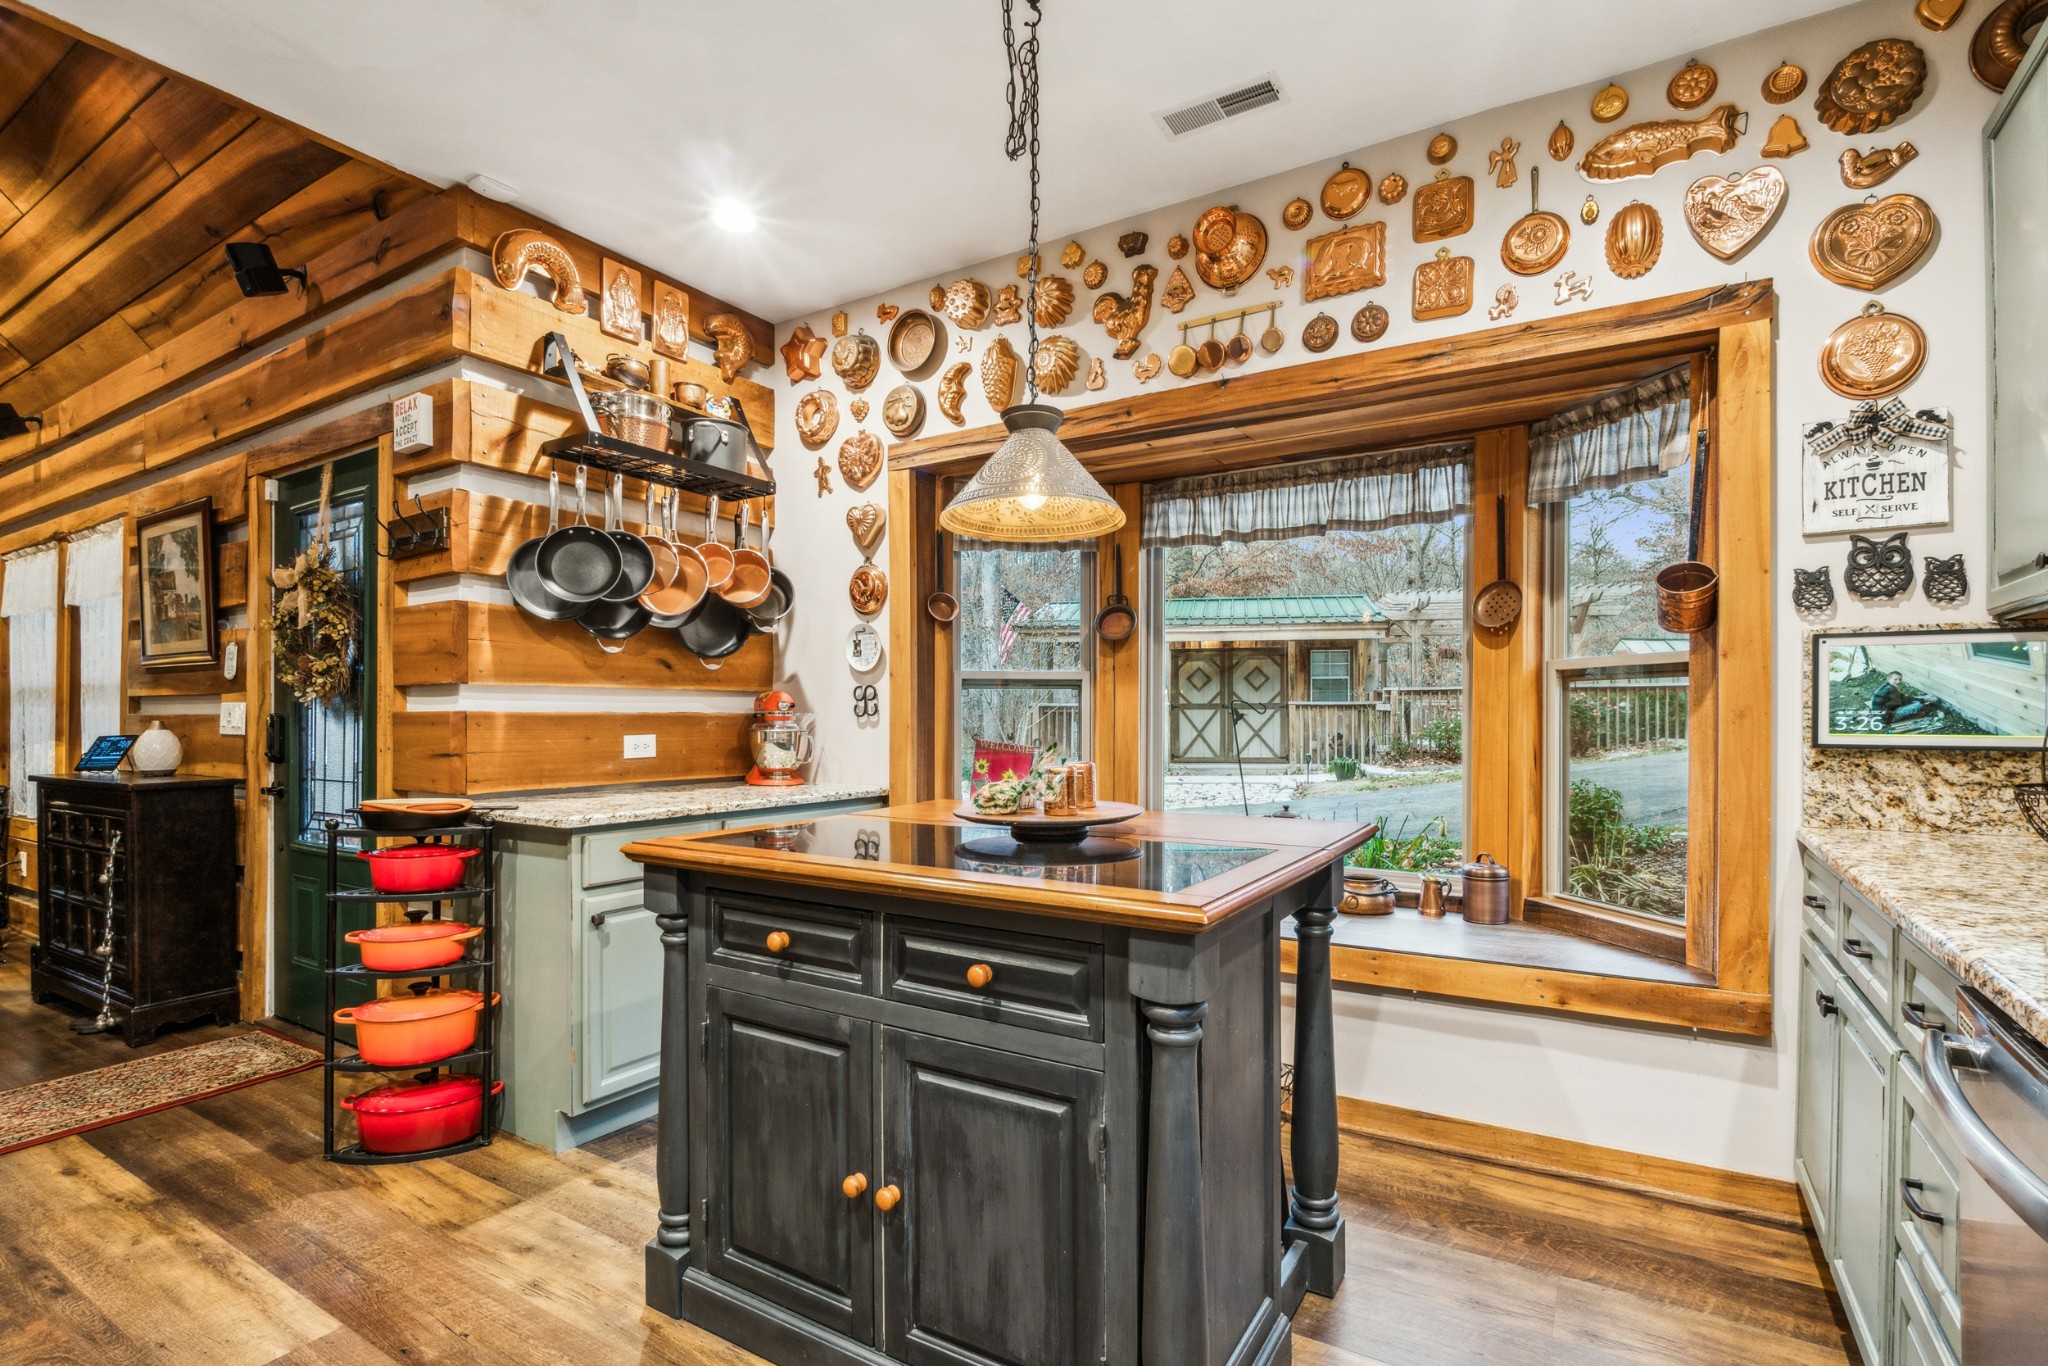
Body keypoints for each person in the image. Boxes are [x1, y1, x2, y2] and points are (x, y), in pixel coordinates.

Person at [1871, 670, 1943, 727]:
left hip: (1879, 714)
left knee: (1912, 701)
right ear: (1889, 678)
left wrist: (1921, 698)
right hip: (1886, 718)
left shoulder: (1886, 686)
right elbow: (1905, 700)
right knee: (1918, 705)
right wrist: (1926, 699)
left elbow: (1903, 697)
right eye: (1895, 679)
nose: (1898, 682)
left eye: (1900, 679)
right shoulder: (1891, 689)